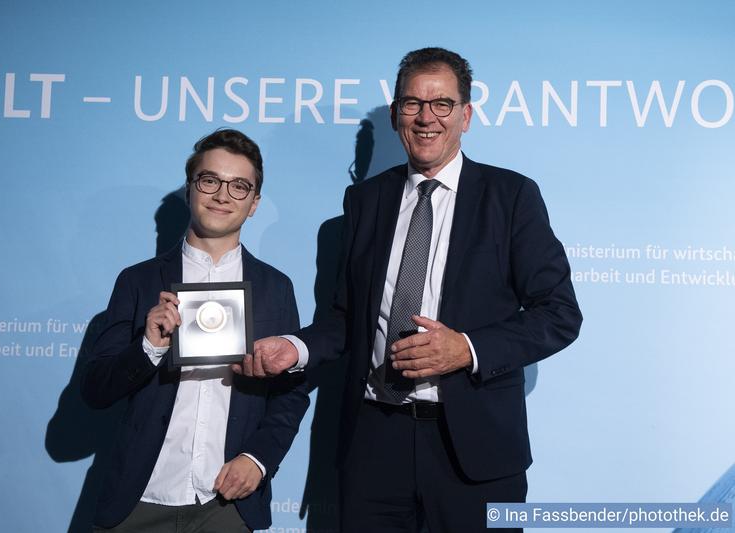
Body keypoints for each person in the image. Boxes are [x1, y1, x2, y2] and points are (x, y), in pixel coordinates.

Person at [236, 48, 582, 532]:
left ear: (466, 115)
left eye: (441, 104)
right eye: (412, 103)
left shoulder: (512, 197)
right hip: (374, 443)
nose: (426, 118)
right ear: (398, 112)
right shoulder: (365, 201)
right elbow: (345, 318)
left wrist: (466, 348)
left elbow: (559, 314)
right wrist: (292, 348)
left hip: (475, 451)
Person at [81, 129, 310, 532]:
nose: (223, 195)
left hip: (226, 503)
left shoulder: (276, 288)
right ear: (190, 189)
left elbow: (290, 395)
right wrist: (148, 346)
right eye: (210, 181)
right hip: (140, 499)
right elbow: (96, 390)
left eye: (239, 186)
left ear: (254, 203)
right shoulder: (137, 281)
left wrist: (257, 460)